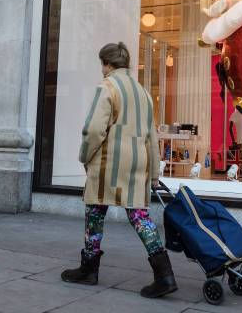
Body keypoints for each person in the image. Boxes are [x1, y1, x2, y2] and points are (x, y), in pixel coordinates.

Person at [61, 42, 177, 298]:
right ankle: (164, 275)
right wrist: (155, 173)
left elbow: (94, 130)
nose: (102, 69)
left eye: (102, 64)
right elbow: (151, 137)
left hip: (108, 163)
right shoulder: (143, 93)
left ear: (107, 64)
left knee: (95, 213)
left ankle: (89, 269)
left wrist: (84, 156)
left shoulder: (107, 87)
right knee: (139, 217)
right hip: (137, 164)